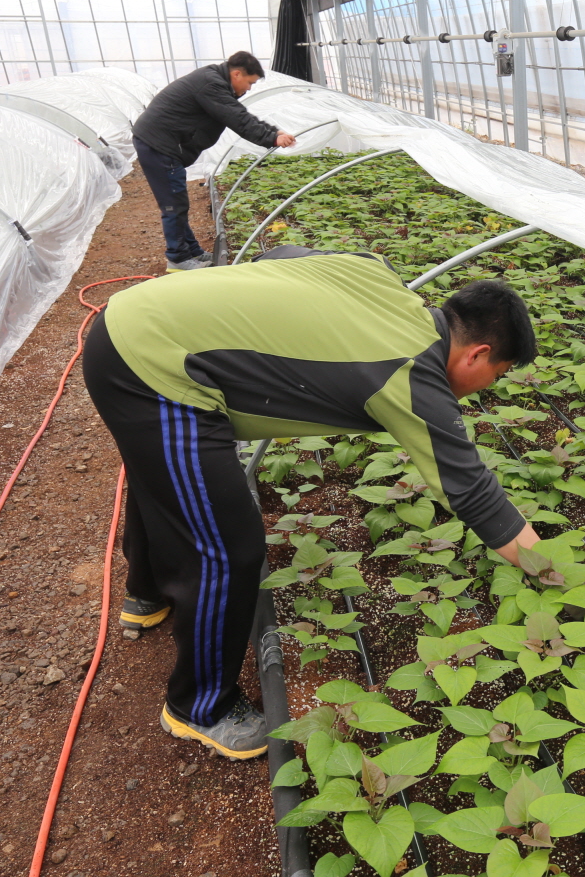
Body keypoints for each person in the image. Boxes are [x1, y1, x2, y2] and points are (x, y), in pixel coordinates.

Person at [81, 247, 540, 759]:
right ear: (477, 353)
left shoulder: (377, 274)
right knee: (229, 548)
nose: (485, 390)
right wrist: (554, 572)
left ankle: (147, 595)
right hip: (154, 370)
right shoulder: (410, 372)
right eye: (496, 376)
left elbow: (283, 253)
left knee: (169, 482)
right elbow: (473, 490)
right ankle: (199, 705)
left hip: (135, 317)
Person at [131, 51, 298, 273]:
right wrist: (271, 138)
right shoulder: (210, 84)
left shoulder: (214, 80)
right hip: (159, 145)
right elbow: (236, 117)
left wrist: (273, 132)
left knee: (177, 202)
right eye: (249, 83)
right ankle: (177, 258)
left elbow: (239, 113)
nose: (249, 89)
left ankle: (192, 251)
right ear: (236, 74)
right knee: (173, 205)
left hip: (162, 143)